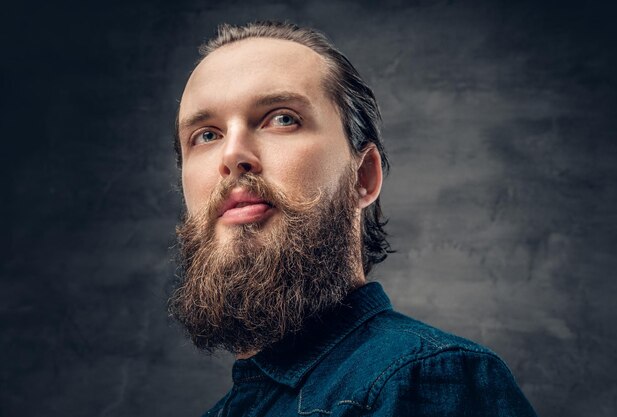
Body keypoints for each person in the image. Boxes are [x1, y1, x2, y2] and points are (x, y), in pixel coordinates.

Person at [169, 21, 537, 417]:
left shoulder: (421, 377)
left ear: (363, 177)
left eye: (282, 118)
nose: (232, 155)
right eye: (206, 135)